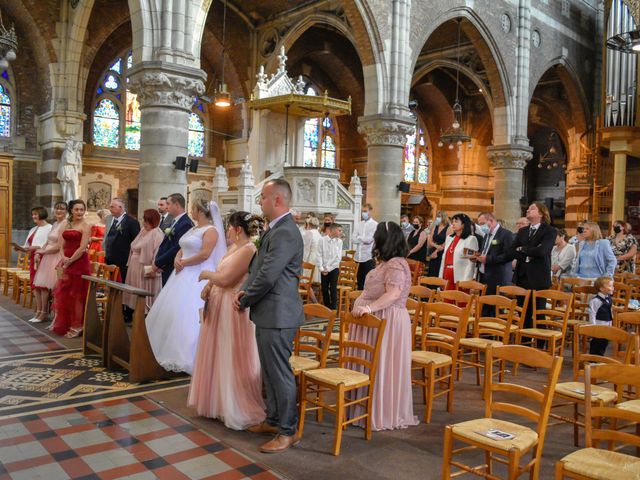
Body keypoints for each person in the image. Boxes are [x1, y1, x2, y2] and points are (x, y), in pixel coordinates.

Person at [234, 178, 304, 454]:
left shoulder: (286, 231)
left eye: (263, 197)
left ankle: (288, 431)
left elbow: (269, 275)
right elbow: (257, 268)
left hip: (279, 314)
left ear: (278, 200)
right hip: (268, 312)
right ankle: (274, 420)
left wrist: (245, 298)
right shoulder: (274, 229)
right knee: (269, 371)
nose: (259, 202)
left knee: (280, 373)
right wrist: (244, 292)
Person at [188, 211, 266, 430]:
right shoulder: (234, 248)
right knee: (216, 352)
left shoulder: (249, 249)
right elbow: (221, 272)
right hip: (217, 303)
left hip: (232, 307)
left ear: (238, 229)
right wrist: (208, 287)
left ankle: (234, 405)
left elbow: (227, 278)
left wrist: (206, 276)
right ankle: (217, 402)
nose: (228, 231)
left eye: (230, 227)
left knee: (229, 354)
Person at [349, 221, 419, 431]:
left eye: (376, 235)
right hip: (373, 320)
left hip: (386, 319)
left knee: (381, 364)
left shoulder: (396, 264)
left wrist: (369, 308)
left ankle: (380, 411)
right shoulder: (386, 262)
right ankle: (361, 408)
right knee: (370, 362)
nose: (373, 238)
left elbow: (394, 293)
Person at [146, 199, 225, 375]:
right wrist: (177, 258)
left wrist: (184, 262)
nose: (192, 211)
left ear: (200, 211)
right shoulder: (193, 228)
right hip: (181, 271)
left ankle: (188, 354)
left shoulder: (211, 231)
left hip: (198, 274)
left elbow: (205, 254)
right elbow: (183, 245)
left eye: (194, 209)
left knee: (188, 312)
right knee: (173, 310)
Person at [507, 202, 556, 329]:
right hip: (522, 277)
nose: (528, 210)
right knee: (523, 313)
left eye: (532, 209)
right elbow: (511, 251)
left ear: (541, 213)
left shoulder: (549, 231)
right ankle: (524, 343)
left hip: (539, 278)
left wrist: (522, 249)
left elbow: (543, 251)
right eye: (528, 208)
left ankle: (540, 346)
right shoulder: (523, 231)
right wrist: (527, 253)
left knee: (539, 314)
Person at [52, 199, 92, 338]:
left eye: (82, 209)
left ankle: (78, 325)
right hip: (66, 261)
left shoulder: (86, 226)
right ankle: (68, 322)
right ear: (71, 211)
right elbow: (60, 245)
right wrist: (63, 258)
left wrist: (70, 261)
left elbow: (82, 248)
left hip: (79, 263)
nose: (79, 212)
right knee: (65, 294)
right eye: (77, 209)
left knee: (77, 296)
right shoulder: (66, 224)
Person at [13, 207, 52, 322]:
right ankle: (38, 311)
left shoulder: (50, 228)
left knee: (42, 286)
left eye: (36, 214)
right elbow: (27, 246)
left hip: (43, 259)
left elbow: (49, 244)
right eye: (33, 214)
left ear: (42, 214)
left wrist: (37, 248)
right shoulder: (33, 229)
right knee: (35, 286)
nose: (34, 216)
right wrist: (20, 248)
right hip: (32, 259)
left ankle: (44, 313)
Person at [123, 209, 164, 313]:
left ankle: (145, 316)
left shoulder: (157, 233)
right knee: (134, 293)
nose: (144, 223)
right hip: (135, 266)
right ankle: (135, 314)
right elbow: (134, 246)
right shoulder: (143, 231)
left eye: (147, 221)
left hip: (145, 268)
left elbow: (157, 253)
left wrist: (154, 270)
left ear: (153, 221)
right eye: (144, 220)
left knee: (144, 293)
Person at [31, 202, 67, 323]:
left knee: (54, 289)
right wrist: (39, 251)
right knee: (41, 285)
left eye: (62, 209)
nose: (59, 211)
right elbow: (47, 241)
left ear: (66, 211)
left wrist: (42, 252)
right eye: (57, 208)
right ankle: (39, 312)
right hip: (47, 255)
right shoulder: (55, 224)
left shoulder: (65, 224)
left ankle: (49, 315)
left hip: (56, 256)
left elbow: (58, 246)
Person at [472, 212, 513, 309]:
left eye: (482, 224)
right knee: (484, 309)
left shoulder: (506, 234)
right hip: (484, 277)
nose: (481, 227)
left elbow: (509, 256)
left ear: (491, 220)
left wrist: (488, 259)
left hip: (497, 278)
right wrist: (477, 258)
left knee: (495, 311)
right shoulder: (486, 235)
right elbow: (485, 252)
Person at [153, 193, 194, 285]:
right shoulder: (175, 221)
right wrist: (159, 262)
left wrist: (158, 262)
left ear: (177, 205)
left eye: (168, 204)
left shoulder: (185, 223)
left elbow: (177, 247)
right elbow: (165, 243)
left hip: (173, 267)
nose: (166, 207)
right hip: (166, 266)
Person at [104, 198, 140, 283]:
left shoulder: (132, 222)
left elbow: (136, 241)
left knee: (122, 284)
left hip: (123, 261)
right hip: (111, 260)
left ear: (120, 208)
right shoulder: (112, 220)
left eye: (112, 207)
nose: (110, 209)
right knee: (112, 284)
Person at [439, 214, 479, 289]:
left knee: (459, 299)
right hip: (446, 274)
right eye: (452, 221)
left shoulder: (470, 239)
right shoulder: (449, 238)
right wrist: (441, 277)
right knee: (446, 299)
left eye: (456, 221)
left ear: (463, 224)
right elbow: (444, 259)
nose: (453, 224)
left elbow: (471, 262)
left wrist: (466, 281)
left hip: (460, 277)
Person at [317, 223, 343, 310]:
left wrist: (328, 268)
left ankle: (333, 308)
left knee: (333, 288)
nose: (340, 232)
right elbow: (319, 254)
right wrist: (321, 268)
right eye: (339, 230)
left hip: (334, 268)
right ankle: (326, 307)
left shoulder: (339, 242)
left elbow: (338, 258)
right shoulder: (322, 240)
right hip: (323, 269)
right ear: (333, 230)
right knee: (324, 289)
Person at [587, 277, 614, 356]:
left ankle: (600, 358)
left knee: (604, 343)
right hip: (599, 325)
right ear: (602, 289)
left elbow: (610, 311)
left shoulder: (609, 298)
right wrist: (593, 327)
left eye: (612, 285)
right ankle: (592, 360)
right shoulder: (596, 301)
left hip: (607, 324)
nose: (612, 288)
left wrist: (610, 323)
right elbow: (592, 314)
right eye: (610, 286)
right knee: (596, 343)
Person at [353, 203, 378, 290]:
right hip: (358, 257)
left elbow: (369, 240)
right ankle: (360, 302)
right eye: (362, 211)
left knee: (369, 282)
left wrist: (359, 237)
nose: (363, 213)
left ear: (370, 211)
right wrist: (361, 239)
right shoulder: (359, 224)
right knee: (359, 282)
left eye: (365, 211)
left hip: (368, 257)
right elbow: (353, 239)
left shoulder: (375, 224)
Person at [427, 211, 451, 277]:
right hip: (434, 250)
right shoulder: (435, 227)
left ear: (443, 217)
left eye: (439, 217)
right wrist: (436, 246)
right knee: (432, 271)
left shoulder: (449, 228)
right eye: (437, 217)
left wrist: (437, 251)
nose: (437, 218)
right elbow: (430, 241)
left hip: (442, 252)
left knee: (439, 270)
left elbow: (447, 241)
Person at [301, 215, 322, 286]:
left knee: (306, 279)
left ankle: (310, 297)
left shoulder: (309, 232)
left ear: (309, 224)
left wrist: (303, 260)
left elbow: (306, 248)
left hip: (311, 257)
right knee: (314, 280)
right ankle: (314, 295)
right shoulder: (318, 233)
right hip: (318, 257)